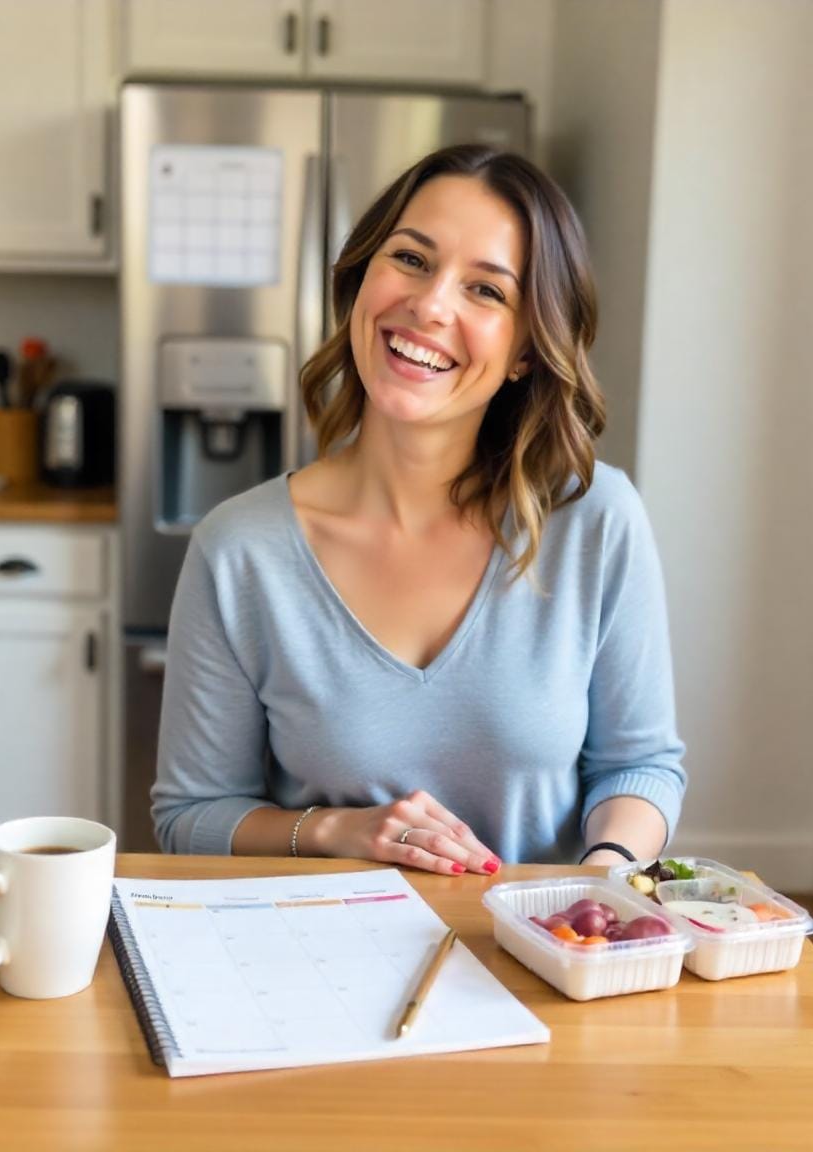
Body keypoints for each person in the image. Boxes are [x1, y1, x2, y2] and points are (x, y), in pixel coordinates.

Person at [152, 144, 686, 877]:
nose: (431, 306)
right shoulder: (238, 550)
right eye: (411, 259)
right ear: (363, 277)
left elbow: (642, 764)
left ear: (528, 349)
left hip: (538, 961)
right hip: (309, 960)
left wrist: (597, 878)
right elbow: (190, 817)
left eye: (486, 291)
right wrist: (337, 829)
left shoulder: (596, 521)